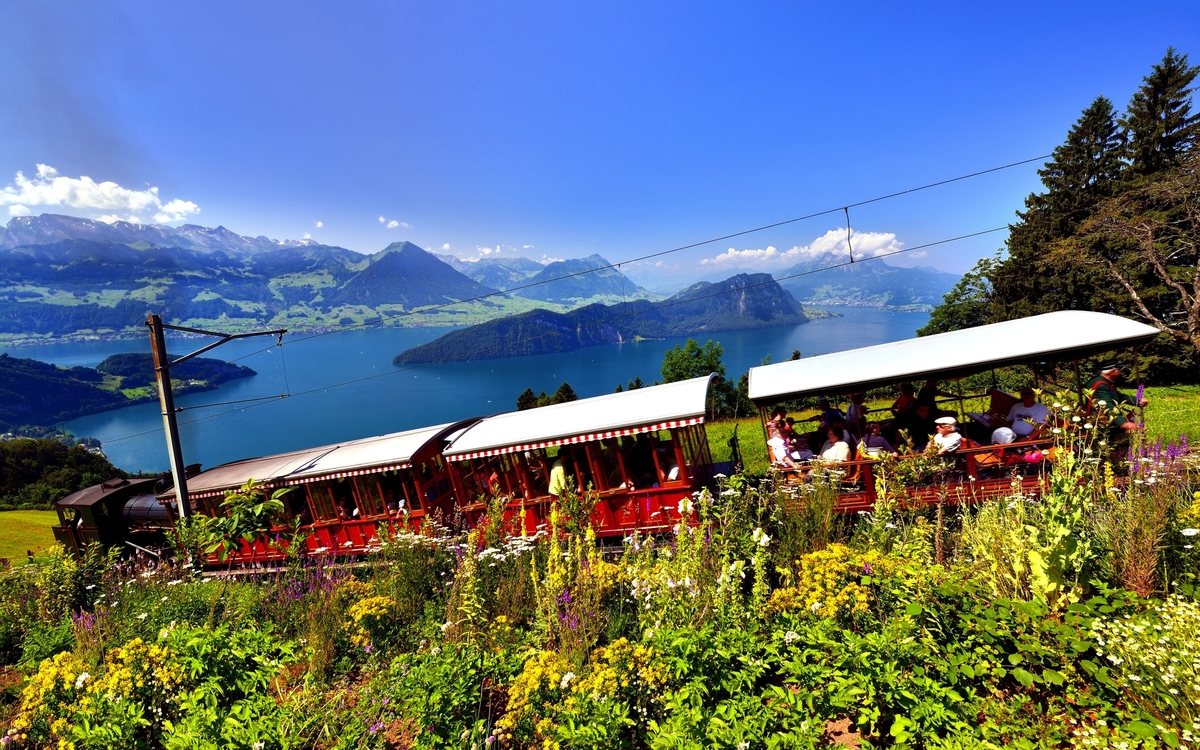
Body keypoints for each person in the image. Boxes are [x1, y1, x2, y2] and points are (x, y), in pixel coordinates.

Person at [1087, 363, 1148, 432]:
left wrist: (1138, 401)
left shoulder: (1104, 382)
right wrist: (1123, 423)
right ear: (1112, 371)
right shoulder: (1101, 385)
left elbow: (1117, 396)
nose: (1120, 371)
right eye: (1118, 369)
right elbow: (1107, 404)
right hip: (1100, 426)